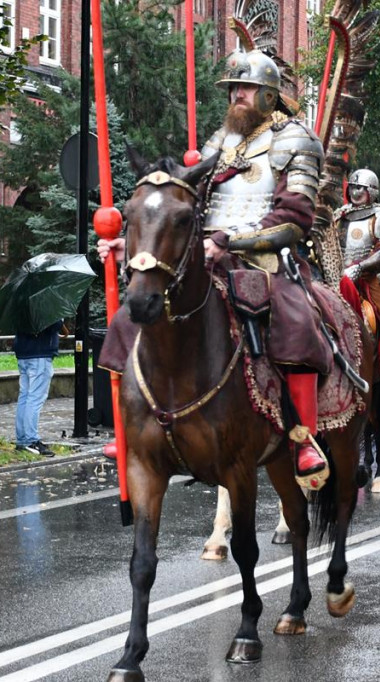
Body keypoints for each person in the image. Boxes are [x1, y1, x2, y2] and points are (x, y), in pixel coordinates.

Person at [97, 46, 330, 485]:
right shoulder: (219, 143)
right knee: (136, 312)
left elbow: (296, 219)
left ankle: (302, 437)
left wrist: (230, 240)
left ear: (267, 94)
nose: (236, 96)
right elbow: (186, 204)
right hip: (201, 254)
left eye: (245, 88)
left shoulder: (296, 140)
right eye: (233, 89)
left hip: (266, 260)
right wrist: (141, 245)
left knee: (296, 321)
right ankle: (130, 423)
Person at [336, 170, 380, 380]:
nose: (356, 192)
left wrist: (359, 267)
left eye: (361, 188)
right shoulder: (339, 215)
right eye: (353, 187)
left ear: (371, 191)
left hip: (369, 275)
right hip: (337, 273)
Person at [13, 319, 62, 456]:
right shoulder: (45, 303)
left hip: (23, 353)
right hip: (40, 352)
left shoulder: (19, 301)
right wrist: (60, 319)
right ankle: (31, 440)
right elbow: (54, 325)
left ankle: (22, 439)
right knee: (35, 398)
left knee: (25, 396)